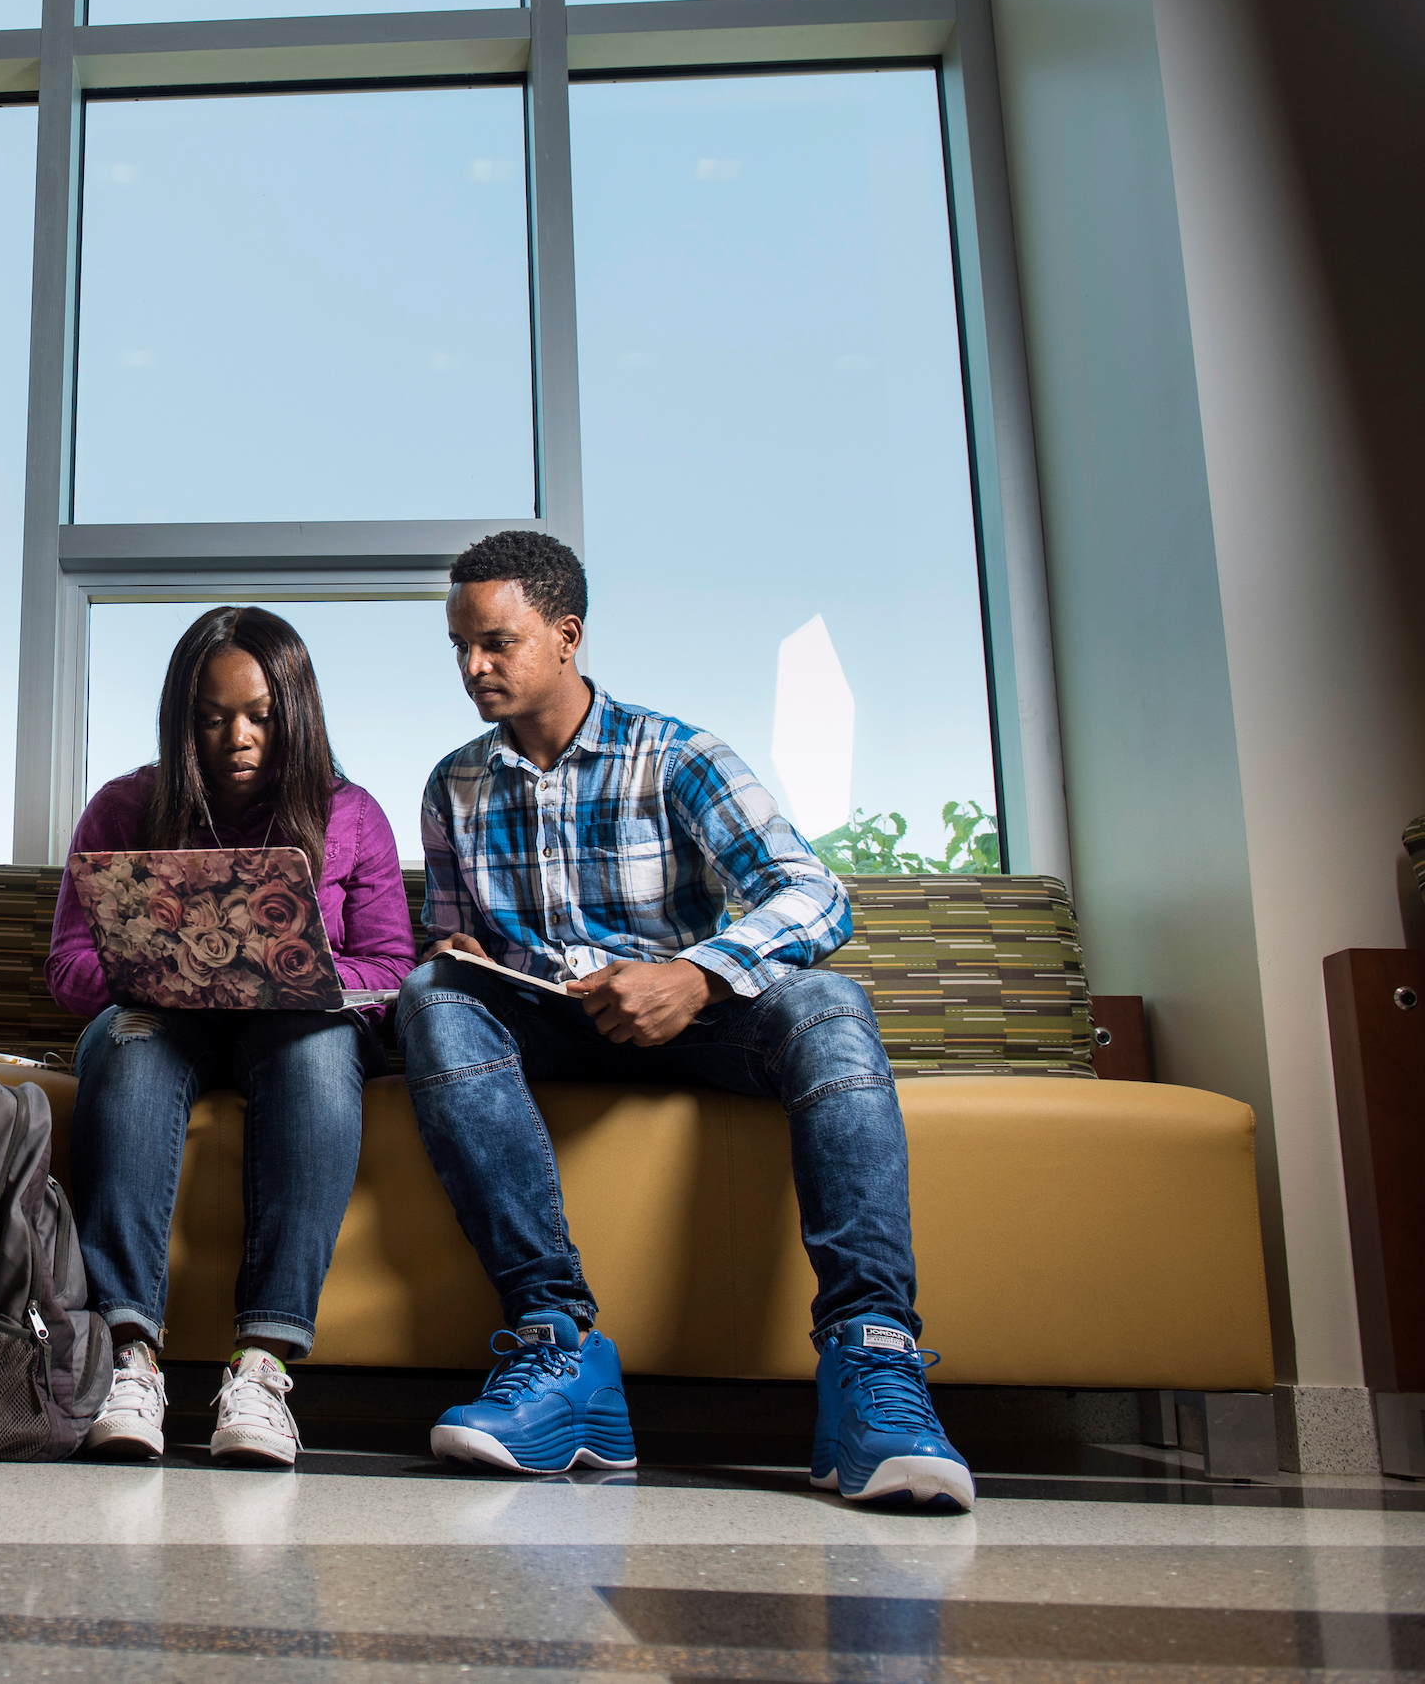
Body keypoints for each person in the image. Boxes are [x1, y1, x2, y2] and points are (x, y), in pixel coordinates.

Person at [395, 530, 975, 1512]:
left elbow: (812, 894)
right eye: (460, 647)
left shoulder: (680, 757)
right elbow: (453, 942)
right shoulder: (453, 783)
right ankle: (557, 1350)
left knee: (831, 1000)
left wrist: (694, 976)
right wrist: (457, 961)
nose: (472, 668)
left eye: (494, 642)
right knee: (431, 999)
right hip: (554, 1025)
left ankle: (874, 1370)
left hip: (698, 1020)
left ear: (567, 633)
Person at [49, 607, 417, 1469]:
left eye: (259, 714)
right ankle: (128, 1359)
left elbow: (395, 969)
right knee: (133, 1041)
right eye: (211, 719)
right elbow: (67, 971)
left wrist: (302, 973)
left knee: (322, 1051)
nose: (237, 738)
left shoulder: (351, 814)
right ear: (183, 720)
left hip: (295, 1029)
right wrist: (165, 964)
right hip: (163, 1024)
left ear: (296, 709)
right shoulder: (125, 806)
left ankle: (261, 1367)